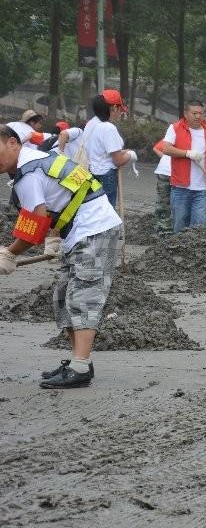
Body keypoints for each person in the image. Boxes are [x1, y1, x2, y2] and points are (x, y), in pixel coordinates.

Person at [0, 124, 121, 389]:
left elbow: (35, 223)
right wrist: (55, 237)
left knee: (83, 296)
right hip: (80, 229)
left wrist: (9, 253)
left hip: (95, 229)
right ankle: (81, 362)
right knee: (63, 298)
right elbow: (61, 197)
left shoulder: (28, 172)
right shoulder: (37, 159)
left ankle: (79, 368)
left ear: (12, 143)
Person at [161, 100, 206, 232]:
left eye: (201, 113)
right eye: (194, 113)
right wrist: (187, 153)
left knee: (200, 228)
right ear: (186, 113)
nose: (198, 116)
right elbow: (166, 149)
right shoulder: (175, 128)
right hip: (180, 188)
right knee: (179, 226)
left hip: (203, 190)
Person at [77, 91, 136, 208]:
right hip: (106, 177)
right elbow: (118, 160)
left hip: (91, 173)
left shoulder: (91, 123)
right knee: (106, 215)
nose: (120, 114)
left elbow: (100, 151)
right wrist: (131, 155)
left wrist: (122, 152)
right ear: (114, 108)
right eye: (120, 110)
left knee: (94, 211)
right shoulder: (108, 128)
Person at [152, 139, 173, 236]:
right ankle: (164, 231)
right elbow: (156, 148)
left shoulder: (173, 131)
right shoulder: (175, 132)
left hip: (164, 170)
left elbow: (156, 148)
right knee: (165, 203)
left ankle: (162, 230)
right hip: (168, 172)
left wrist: (165, 158)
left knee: (162, 203)